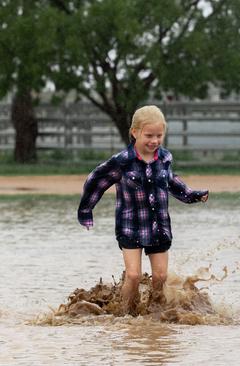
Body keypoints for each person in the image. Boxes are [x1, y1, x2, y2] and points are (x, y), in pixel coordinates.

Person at [78, 105, 209, 315]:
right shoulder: (122, 162)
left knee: (160, 276)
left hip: (158, 226)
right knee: (133, 275)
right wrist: (86, 211)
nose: (154, 141)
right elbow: (96, 181)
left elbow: (172, 182)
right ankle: (126, 314)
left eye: (159, 135)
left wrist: (193, 195)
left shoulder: (165, 158)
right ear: (135, 132)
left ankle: (152, 314)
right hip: (130, 225)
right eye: (149, 135)